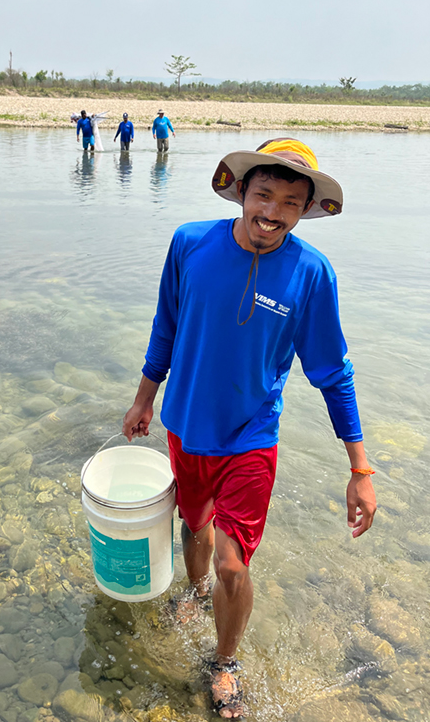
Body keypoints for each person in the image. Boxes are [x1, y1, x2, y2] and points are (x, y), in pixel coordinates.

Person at [121, 138, 376, 719]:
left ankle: (225, 661)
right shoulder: (190, 243)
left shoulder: (311, 274)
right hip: (185, 423)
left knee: (233, 560)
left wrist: (359, 469)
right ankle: (195, 593)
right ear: (241, 192)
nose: (273, 210)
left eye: (291, 201)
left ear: (305, 210)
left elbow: (332, 372)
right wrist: (144, 400)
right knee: (194, 525)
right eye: (264, 193)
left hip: (251, 435)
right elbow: (165, 325)